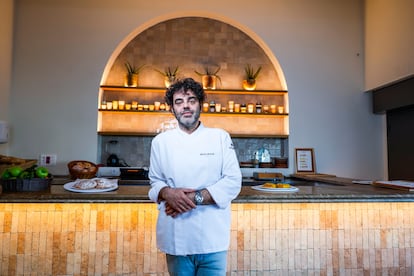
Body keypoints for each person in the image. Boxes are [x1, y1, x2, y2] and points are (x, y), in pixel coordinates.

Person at [148, 78, 242, 275]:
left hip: (212, 238)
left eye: (191, 100)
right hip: (176, 237)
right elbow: (155, 181)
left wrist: (190, 199)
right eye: (179, 102)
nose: (186, 106)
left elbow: (233, 181)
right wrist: (167, 192)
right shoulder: (160, 142)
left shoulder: (220, 137)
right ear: (172, 108)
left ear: (200, 104)